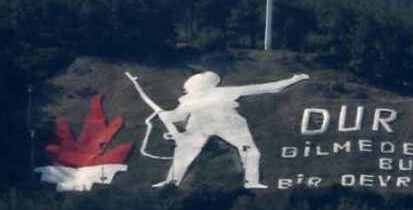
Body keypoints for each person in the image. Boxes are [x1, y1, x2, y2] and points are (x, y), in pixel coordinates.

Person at [126, 69, 308, 188]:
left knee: (249, 151)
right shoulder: (192, 99)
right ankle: (171, 182)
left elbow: (265, 88)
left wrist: (291, 80)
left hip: (227, 123)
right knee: (184, 153)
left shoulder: (208, 95)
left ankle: (252, 181)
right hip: (206, 125)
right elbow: (179, 116)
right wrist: (167, 116)